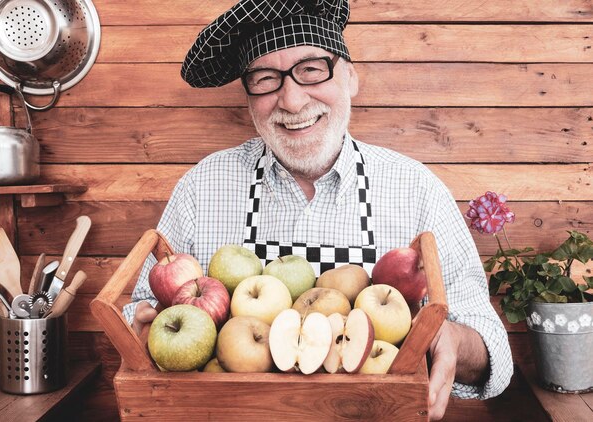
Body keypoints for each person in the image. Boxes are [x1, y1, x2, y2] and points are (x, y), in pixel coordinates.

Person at [122, 0, 513, 419]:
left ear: (350, 76)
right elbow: (141, 307)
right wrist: (144, 325)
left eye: (311, 69)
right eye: (266, 79)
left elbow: (491, 347)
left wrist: (450, 338)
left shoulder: (416, 189)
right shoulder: (203, 187)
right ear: (249, 98)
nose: (291, 100)